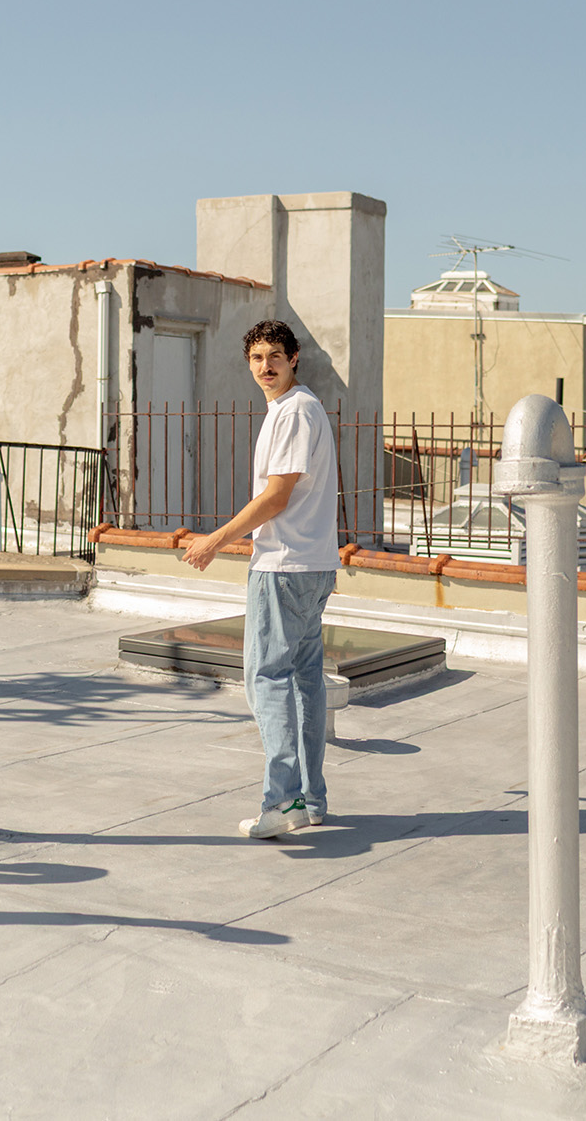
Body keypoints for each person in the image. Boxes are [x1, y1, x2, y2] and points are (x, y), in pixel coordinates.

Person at [182, 319, 339, 838]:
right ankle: (311, 800)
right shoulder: (298, 408)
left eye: (274, 355)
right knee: (303, 680)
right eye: (255, 358)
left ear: (294, 358)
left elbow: (277, 496)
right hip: (311, 565)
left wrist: (215, 540)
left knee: (266, 678)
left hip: (285, 567)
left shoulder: (294, 412)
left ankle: (285, 799)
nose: (265, 366)